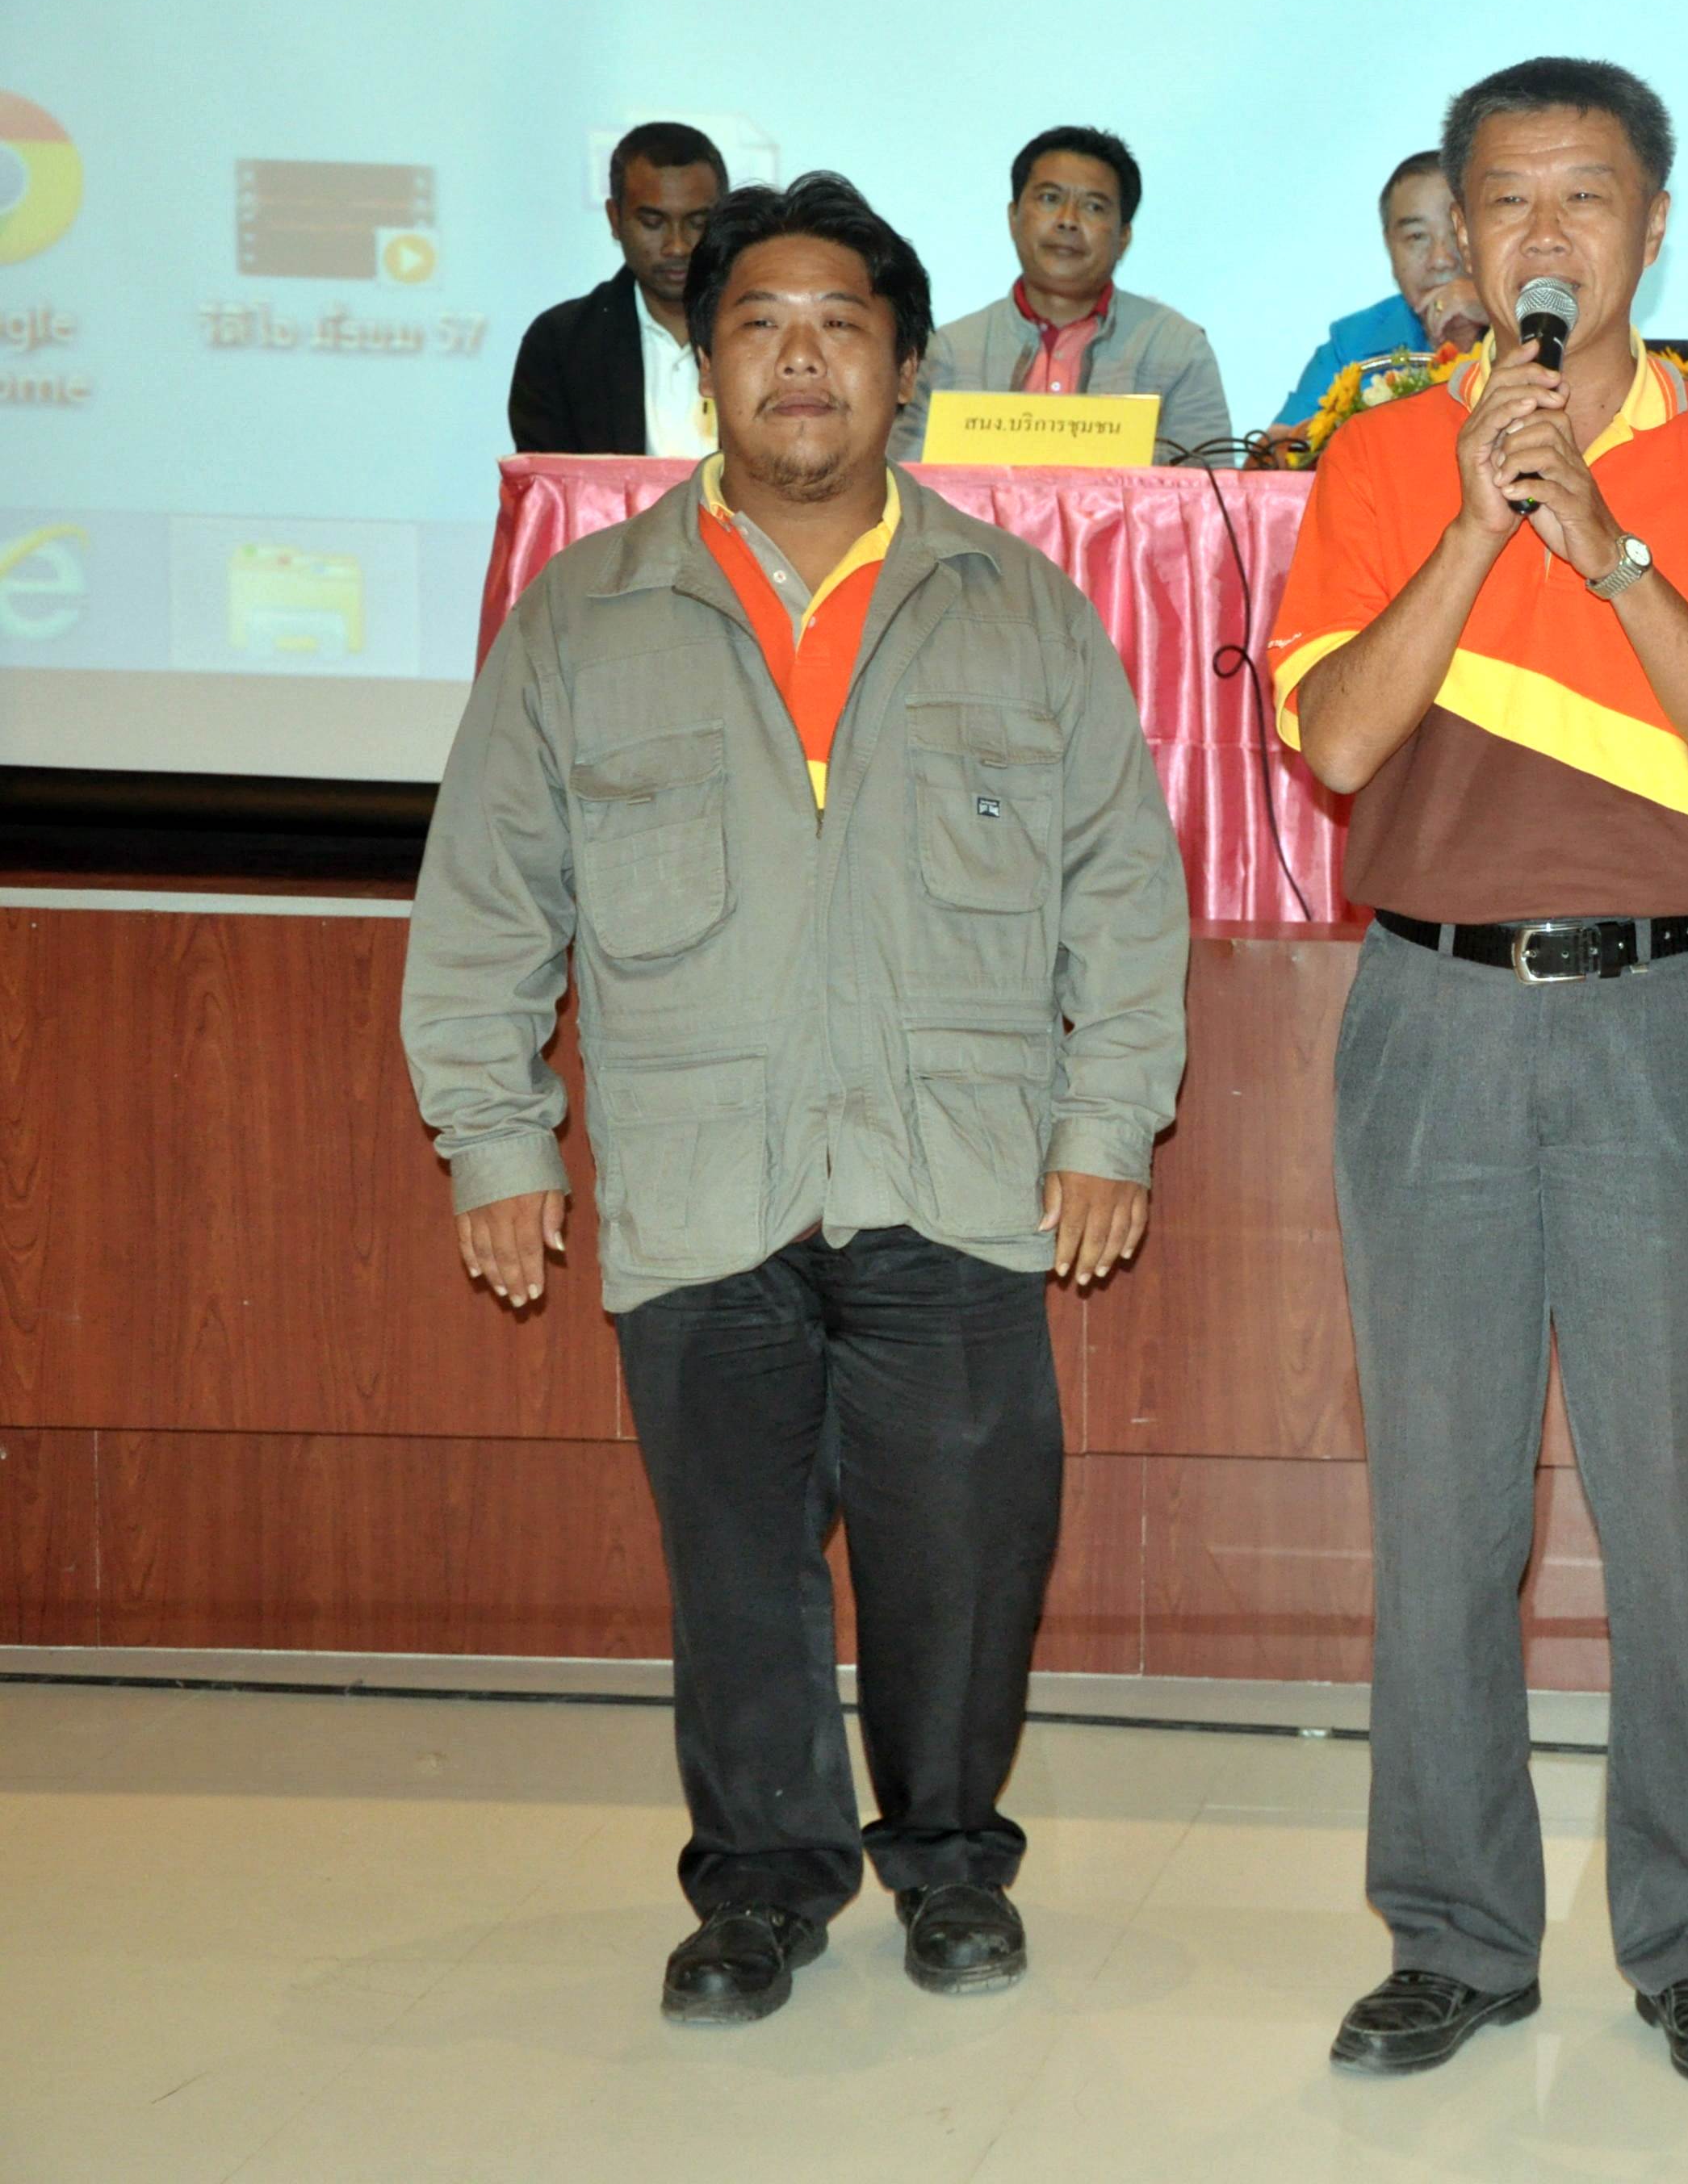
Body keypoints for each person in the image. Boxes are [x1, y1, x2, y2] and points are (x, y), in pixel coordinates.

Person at [404, 173, 1191, 2029]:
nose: (802, 358)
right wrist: (496, 1138)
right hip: (703, 1170)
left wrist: (1105, 1121)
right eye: (758, 324)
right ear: (706, 367)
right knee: (738, 1571)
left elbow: (1121, 887)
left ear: (909, 369)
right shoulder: (588, 615)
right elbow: (488, 896)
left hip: (953, 1165)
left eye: (843, 323)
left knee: (963, 1555)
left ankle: (949, 1858)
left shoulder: (1019, 608)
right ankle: (758, 1884)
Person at [1264, 56, 1688, 2090]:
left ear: (1650, 229)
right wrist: (1466, 519)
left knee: (1675, 1508)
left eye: (1581, 198)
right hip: (1429, 1014)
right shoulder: (1373, 455)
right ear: (1457, 229)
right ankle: (1451, 1932)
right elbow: (1339, 742)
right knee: (1440, 1509)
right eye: (1502, 200)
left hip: (1661, 1017)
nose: (1539, 235)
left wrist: (1604, 545)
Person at [890, 125, 1231, 462]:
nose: (1068, 220)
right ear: (1013, 217)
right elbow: (899, 480)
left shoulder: (1177, 349)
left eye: (1094, 207)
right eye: (1050, 199)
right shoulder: (944, 353)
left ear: (1123, 237)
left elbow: (1209, 489)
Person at [507, 122, 728, 457]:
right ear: (615, 219)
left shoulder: (765, 331)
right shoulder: (560, 345)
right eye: (653, 223)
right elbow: (551, 482)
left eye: (698, 223)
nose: (678, 246)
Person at [1263, 149, 1496, 442]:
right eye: (1417, 237)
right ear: (1389, 245)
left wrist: (1497, 314)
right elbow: (1269, 453)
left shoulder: (1532, 319)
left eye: (1457, 232)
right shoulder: (1352, 342)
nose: (1441, 260)